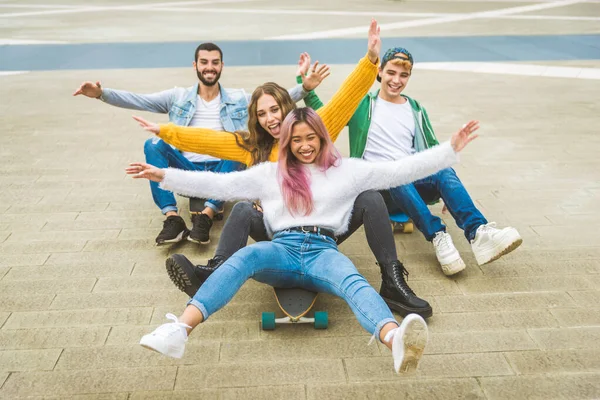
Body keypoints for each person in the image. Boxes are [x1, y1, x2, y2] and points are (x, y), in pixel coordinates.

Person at [126, 107, 480, 373]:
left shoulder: (348, 170)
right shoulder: (271, 175)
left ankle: (395, 339)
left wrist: (449, 149)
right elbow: (220, 186)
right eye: (296, 140)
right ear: (287, 143)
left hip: (324, 251)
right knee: (243, 258)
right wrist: (164, 175)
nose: (305, 146)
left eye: (311, 137)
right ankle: (178, 331)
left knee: (354, 281)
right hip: (280, 249)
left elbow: (399, 170)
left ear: (322, 137)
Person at [133, 21, 433, 318]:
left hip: (322, 227)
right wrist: (165, 131)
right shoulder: (251, 146)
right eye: (262, 114)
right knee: (241, 210)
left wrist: (370, 61)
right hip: (277, 230)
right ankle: (213, 273)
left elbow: (347, 97)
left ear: (287, 108)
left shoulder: (316, 127)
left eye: (275, 110)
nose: (270, 119)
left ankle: (392, 282)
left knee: (370, 197)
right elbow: (210, 140)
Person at [73, 42, 325, 245]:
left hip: (224, 169)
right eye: (204, 62)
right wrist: (101, 94)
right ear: (195, 65)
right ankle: (172, 218)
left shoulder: (238, 98)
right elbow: (138, 100)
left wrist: (304, 87)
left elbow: (274, 102)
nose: (209, 67)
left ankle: (206, 215)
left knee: (239, 143)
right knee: (153, 143)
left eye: (215, 62)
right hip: (186, 168)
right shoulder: (177, 96)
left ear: (221, 66)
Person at [302, 47, 522, 276]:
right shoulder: (363, 105)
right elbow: (324, 115)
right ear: (379, 72)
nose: (396, 80)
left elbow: (433, 150)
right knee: (395, 173)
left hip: (411, 185)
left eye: (403, 75)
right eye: (391, 73)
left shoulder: (415, 110)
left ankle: (478, 234)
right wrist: (306, 88)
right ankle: (437, 235)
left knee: (443, 172)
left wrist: (450, 190)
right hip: (378, 191)